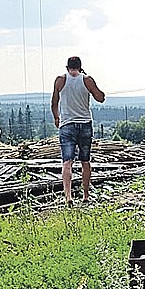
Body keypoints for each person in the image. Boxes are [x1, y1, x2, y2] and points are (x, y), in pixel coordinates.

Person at [51, 55, 105, 206]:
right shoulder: (87, 80)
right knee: (85, 161)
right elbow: (100, 98)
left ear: (67, 67)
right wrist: (91, 85)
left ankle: (68, 196)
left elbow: (54, 102)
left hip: (67, 124)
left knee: (67, 162)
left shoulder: (60, 80)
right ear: (80, 67)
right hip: (85, 123)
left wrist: (57, 118)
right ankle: (86, 195)